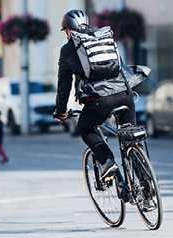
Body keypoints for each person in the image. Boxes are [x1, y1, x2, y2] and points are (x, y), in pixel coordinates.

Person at [54, 9, 136, 182]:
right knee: (131, 139)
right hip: (125, 94)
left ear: (68, 30)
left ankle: (106, 161)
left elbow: (64, 85)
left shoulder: (68, 49)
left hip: (99, 100)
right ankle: (146, 190)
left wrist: (61, 111)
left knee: (85, 127)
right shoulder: (104, 38)